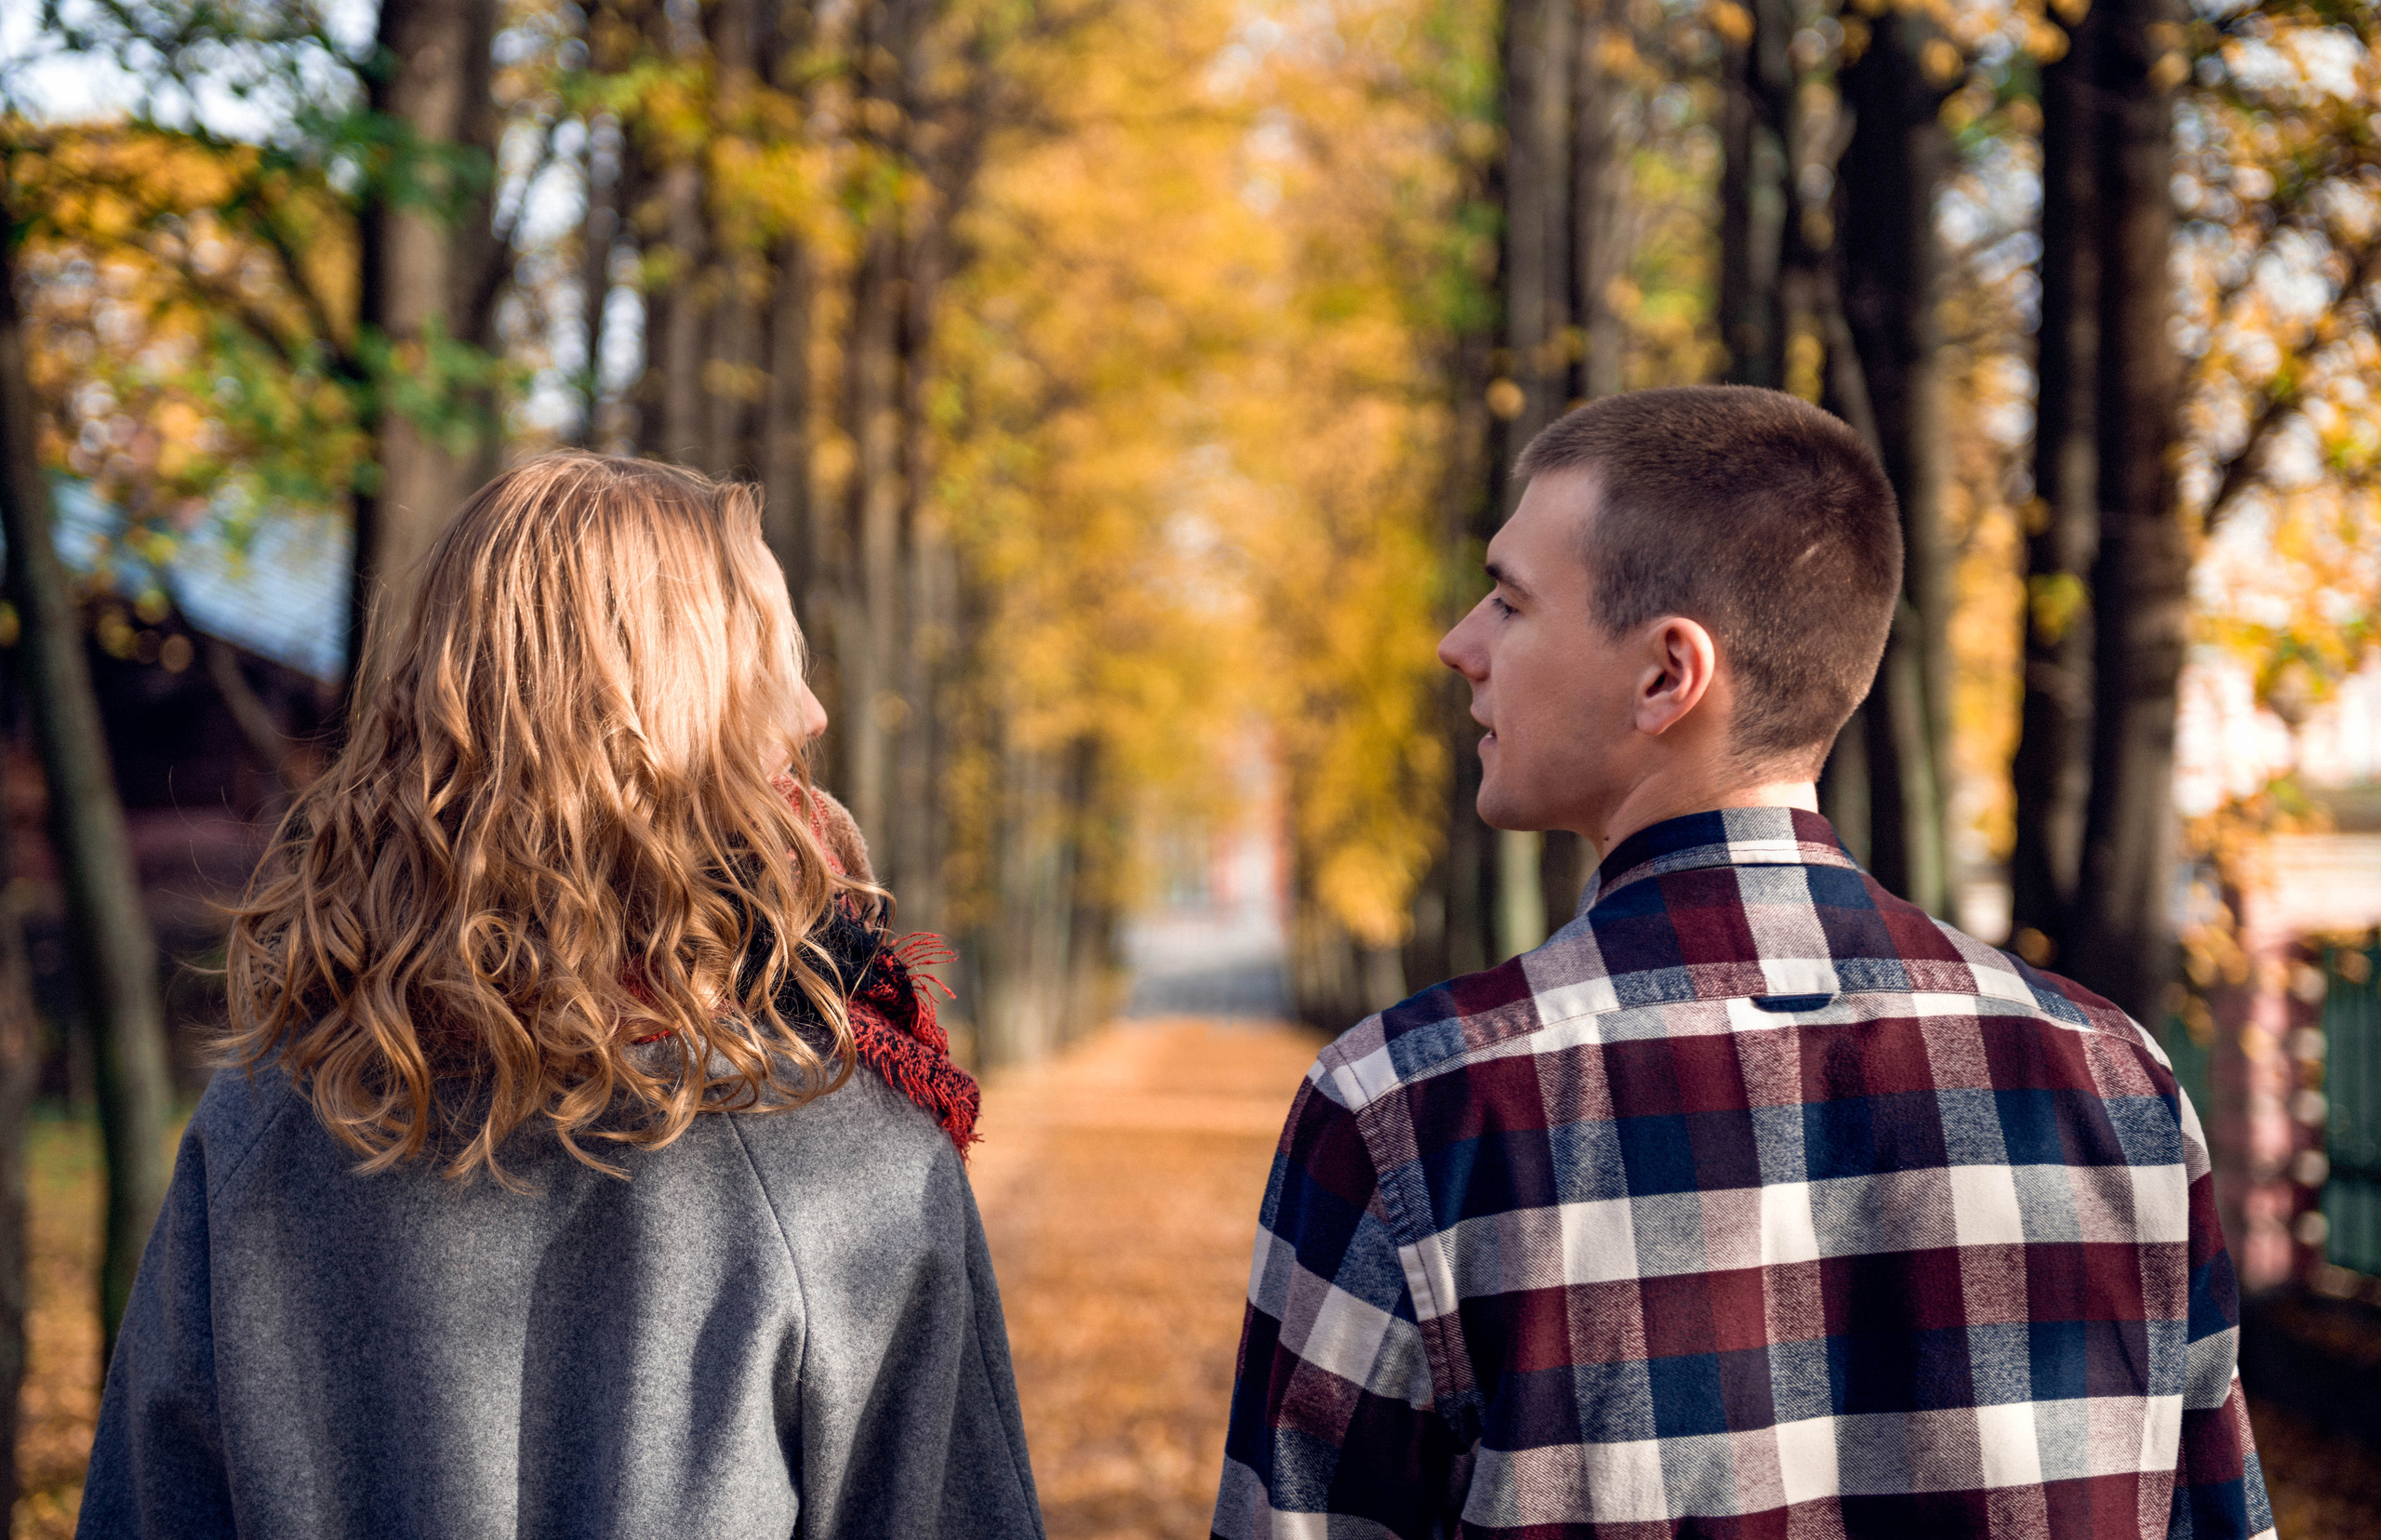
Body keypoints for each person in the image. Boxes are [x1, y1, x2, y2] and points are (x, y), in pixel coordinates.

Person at [1212, 387, 2271, 1539]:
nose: (1458, 644)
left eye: (1509, 602)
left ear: (1668, 674)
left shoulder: (1413, 1107)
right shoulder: (2120, 1084)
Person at [78, 456, 1044, 1539]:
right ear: (659, 720)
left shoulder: (262, 1130)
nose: (814, 713)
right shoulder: (848, 1158)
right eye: (770, 658)